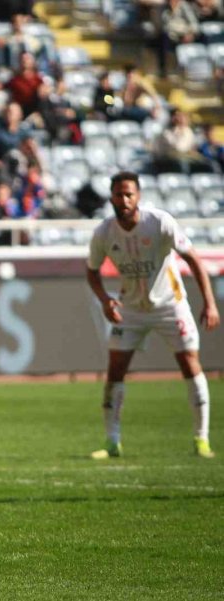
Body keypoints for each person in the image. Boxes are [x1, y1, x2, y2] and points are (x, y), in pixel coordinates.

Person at [86, 171, 220, 460]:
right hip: (131, 310)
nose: (123, 199)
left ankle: (201, 439)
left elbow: (193, 258)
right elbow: (92, 270)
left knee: (189, 364)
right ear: (111, 197)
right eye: (118, 194)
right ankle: (112, 442)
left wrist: (209, 303)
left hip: (170, 305)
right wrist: (105, 300)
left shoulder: (159, 223)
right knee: (115, 370)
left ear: (138, 197)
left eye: (128, 194)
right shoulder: (104, 233)